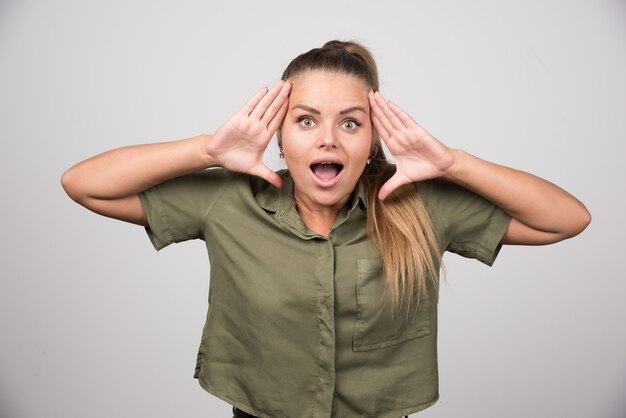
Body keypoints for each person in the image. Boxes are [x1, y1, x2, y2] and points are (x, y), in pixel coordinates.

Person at [61, 40, 591, 418]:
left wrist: (452, 163)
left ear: (372, 141)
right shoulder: (230, 197)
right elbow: (84, 183)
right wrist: (206, 150)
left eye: (351, 122)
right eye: (307, 119)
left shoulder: (420, 206)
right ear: (279, 134)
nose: (329, 140)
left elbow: (567, 219)